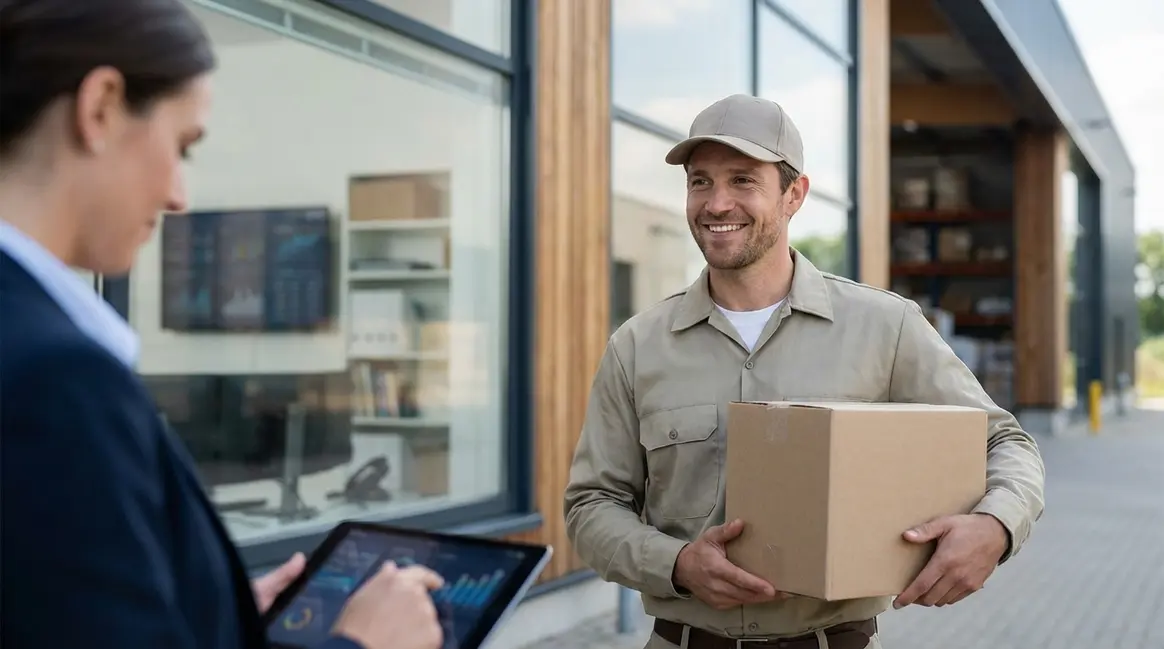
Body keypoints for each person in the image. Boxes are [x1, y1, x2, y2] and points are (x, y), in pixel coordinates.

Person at [0, 1, 444, 648]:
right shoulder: (55, 380)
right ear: (99, 107)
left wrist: (218, 616)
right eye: (182, 146)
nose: (180, 195)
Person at [563, 94, 1046, 649]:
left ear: (794, 194)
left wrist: (996, 526)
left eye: (743, 180)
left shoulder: (884, 327)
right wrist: (676, 564)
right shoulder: (636, 346)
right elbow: (591, 505)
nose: (716, 204)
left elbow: (1004, 442)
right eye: (701, 182)